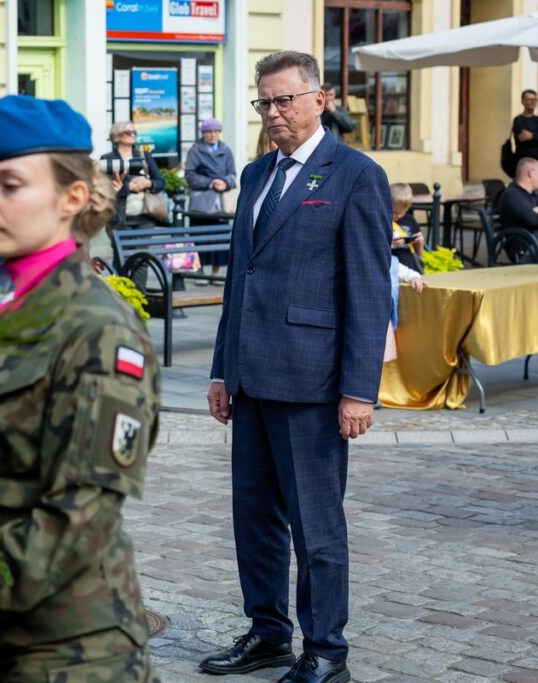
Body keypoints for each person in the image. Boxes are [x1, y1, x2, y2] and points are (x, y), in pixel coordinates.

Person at [0, 94, 163, 682]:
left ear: (72, 198)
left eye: (9, 185)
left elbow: (77, 518)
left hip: (71, 647)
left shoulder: (100, 332)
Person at [202, 51, 391, 683]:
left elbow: (367, 290)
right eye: (264, 102)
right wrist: (222, 369)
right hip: (252, 376)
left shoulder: (355, 174)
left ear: (320, 99)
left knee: (315, 527)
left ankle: (326, 649)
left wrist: (358, 390)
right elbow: (241, 282)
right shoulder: (256, 174)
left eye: (285, 100)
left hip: (313, 382)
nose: (274, 113)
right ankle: (268, 632)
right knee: (253, 518)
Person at [185, 118, 238, 275]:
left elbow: (232, 174)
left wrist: (225, 183)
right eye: (209, 132)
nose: (213, 135)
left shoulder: (226, 150)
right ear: (203, 134)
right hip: (201, 202)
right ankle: (199, 270)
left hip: (220, 202)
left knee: (219, 237)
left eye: (216, 131)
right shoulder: (195, 150)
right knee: (200, 236)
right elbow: (190, 175)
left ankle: (216, 272)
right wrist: (210, 182)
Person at [100, 121, 165, 229]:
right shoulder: (107, 159)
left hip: (146, 216)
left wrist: (148, 183)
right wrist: (128, 187)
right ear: (117, 135)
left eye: (134, 132)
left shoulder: (144, 156)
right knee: (121, 246)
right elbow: (104, 188)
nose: (133, 134)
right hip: (118, 218)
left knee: (143, 246)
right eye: (128, 132)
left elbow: (160, 182)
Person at [383, 253, 427, 363]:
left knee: (383, 357)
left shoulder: (392, 261)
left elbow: (408, 273)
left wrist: (415, 278)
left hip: (384, 316)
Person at [513, 89, 538, 175]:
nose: (532, 102)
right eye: (529, 99)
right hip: (524, 162)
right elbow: (523, 140)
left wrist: (532, 136)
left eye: (535, 99)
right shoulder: (518, 120)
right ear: (523, 102)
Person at [389, 182, 424, 273]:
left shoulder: (410, 220)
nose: (399, 215)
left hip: (413, 269)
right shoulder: (383, 221)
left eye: (402, 212)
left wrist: (419, 244)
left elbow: (419, 254)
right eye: (395, 212)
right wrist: (391, 245)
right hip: (393, 270)